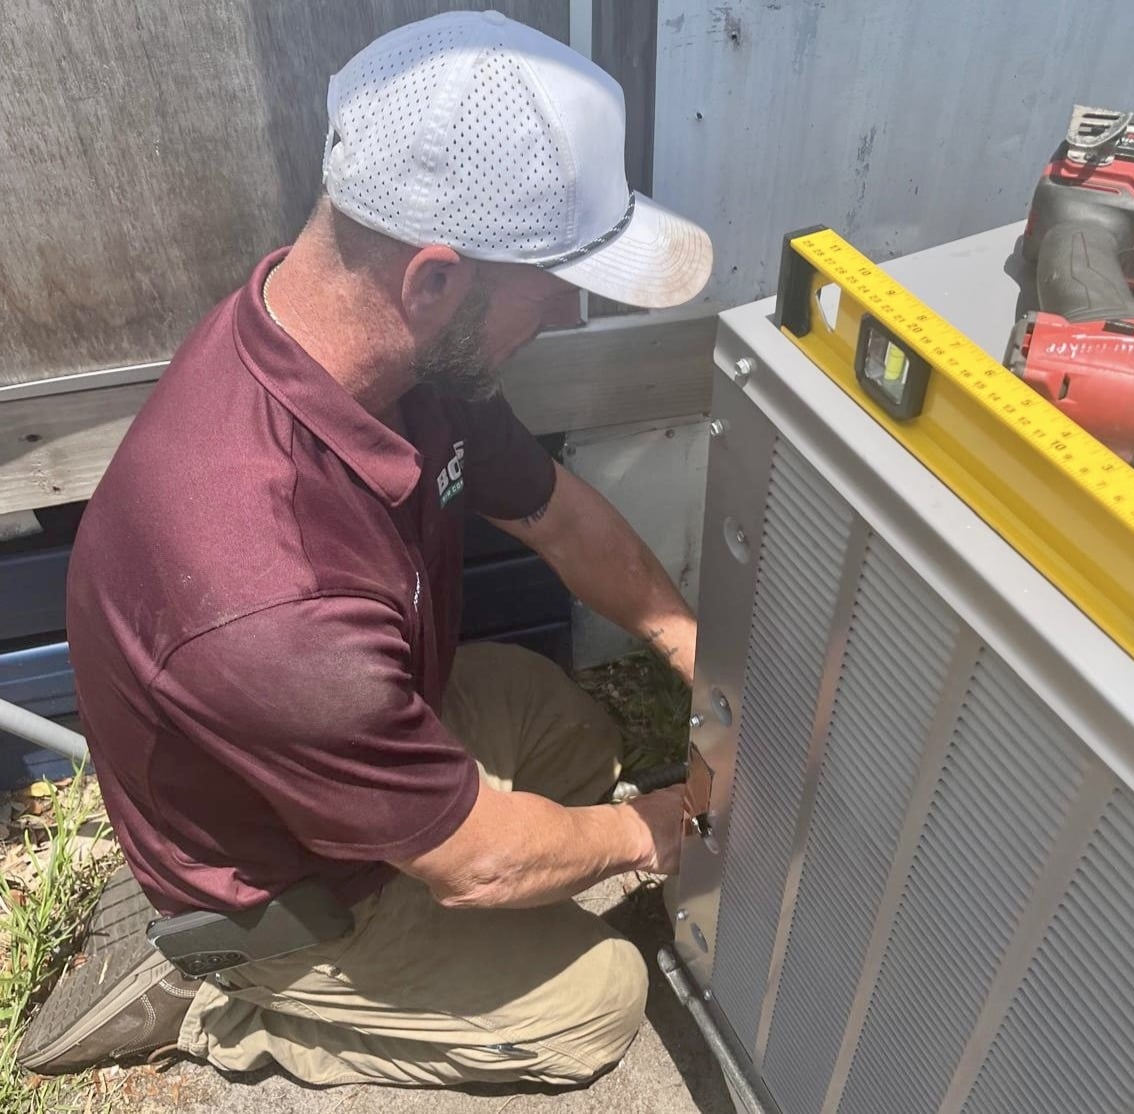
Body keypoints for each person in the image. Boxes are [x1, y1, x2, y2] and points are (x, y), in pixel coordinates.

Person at [26, 10, 713, 1089]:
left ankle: (434, 834)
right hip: (284, 881)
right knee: (598, 1003)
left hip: (340, 724)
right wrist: (656, 832)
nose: (572, 307)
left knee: (566, 730)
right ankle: (231, 1003)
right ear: (433, 279)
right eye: (557, 280)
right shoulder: (263, 585)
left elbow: (560, 517)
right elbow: (477, 862)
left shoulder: (388, 357)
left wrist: (687, 639)